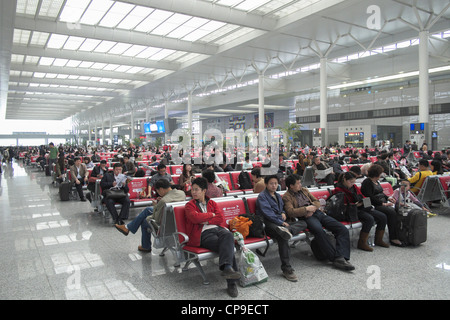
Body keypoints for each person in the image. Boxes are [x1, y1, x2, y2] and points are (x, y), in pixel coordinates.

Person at [282, 174, 354, 271]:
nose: (300, 185)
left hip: (318, 213)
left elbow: (316, 201)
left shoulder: (304, 190)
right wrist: (306, 209)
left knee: (342, 229)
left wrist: (313, 208)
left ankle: (341, 256)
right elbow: (290, 212)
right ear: (291, 185)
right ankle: (336, 259)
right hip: (306, 217)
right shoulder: (287, 197)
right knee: (319, 231)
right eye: (298, 183)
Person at [184, 177, 240, 297]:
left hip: (218, 230)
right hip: (202, 234)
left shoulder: (212, 203)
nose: (193, 192)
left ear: (204, 190)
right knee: (228, 247)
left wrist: (204, 219)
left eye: (196, 189)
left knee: (228, 236)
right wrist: (210, 215)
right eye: (192, 189)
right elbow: (194, 218)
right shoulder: (189, 205)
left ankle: (228, 269)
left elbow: (220, 218)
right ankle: (231, 282)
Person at [114, 179, 186, 252]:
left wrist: (156, 206)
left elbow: (156, 219)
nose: (158, 193)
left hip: (165, 227)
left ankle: (145, 246)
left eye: (157, 191)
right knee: (148, 210)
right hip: (177, 224)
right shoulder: (181, 193)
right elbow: (171, 200)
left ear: (161, 189)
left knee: (144, 220)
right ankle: (127, 228)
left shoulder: (164, 201)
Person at [256, 175, 302, 282]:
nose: (274, 185)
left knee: (304, 223)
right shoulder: (262, 197)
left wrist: (283, 213)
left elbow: (282, 208)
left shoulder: (277, 195)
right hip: (268, 223)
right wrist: (281, 222)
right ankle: (286, 268)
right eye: (271, 183)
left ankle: (286, 231)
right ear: (266, 184)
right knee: (283, 237)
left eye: (276, 183)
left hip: (280, 223)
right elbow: (267, 214)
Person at [334, 171, 390, 251]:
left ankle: (378, 240)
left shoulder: (354, 187)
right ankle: (362, 243)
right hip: (350, 211)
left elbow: (362, 196)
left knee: (382, 216)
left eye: (353, 182)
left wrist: (368, 205)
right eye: (351, 181)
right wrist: (355, 205)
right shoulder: (338, 189)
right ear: (345, 180)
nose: (352, 183)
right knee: (369, 219)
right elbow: (341, 205)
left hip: (361, 207)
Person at [361, 165, 405, 247]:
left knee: (394, 211)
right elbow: (369, 197)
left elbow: (381, 193)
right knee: (390, 212)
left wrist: (388, 198)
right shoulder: (367, 182)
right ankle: (393, 237)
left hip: (381, 202)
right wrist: (383, 204)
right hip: (372, 205)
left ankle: (394, 235)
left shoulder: (376, 181)